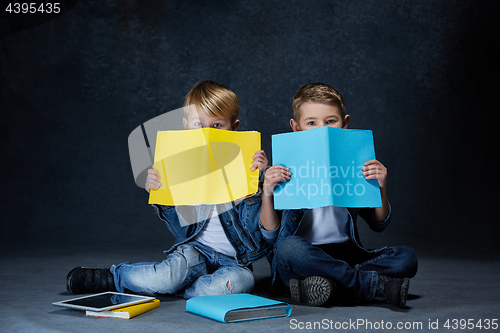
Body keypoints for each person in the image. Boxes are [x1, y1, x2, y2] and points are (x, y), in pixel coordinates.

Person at [66, 81, 271, 299]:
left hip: (236, 261)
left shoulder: (249, 164)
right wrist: (158, 192)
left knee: (240, 284)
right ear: (186, 126)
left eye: (217, 126)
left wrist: (260, 180)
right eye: (198, 125)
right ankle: (115, 277)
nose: (207, 134)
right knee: (166, 277)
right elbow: (182, 232)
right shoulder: (179, 164)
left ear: (234, 127)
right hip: (195, 250)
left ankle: (184, 287)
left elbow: (257, 231)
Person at [259, 82, 418, 308]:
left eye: (330, 121)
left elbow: (379, 223)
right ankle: (374, 287)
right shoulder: (285, 167)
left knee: (406, 258)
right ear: (296, 127)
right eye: (311, 123)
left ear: (345, 123)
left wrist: (381, 186)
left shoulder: (354, 162)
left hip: (345, 254)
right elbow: (271, 236)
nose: (322, 129)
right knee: (289, 248)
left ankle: (327, 285)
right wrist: (267, 192)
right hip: (302, 254)